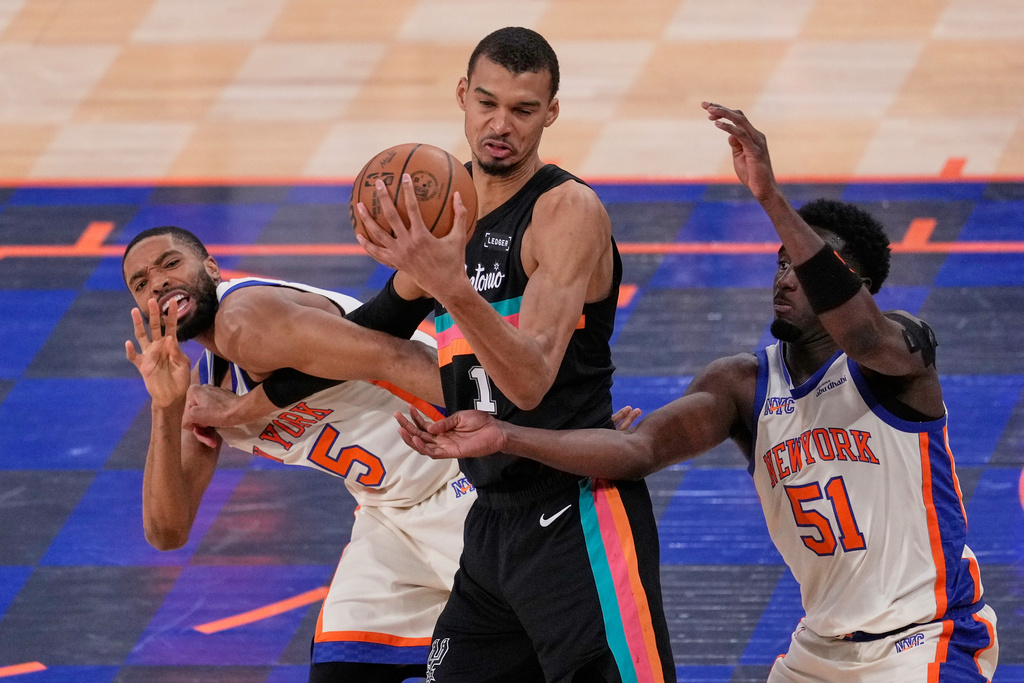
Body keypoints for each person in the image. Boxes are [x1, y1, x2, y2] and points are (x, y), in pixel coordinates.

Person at [394, 103, 1000, 683]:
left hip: (927, 636)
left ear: (857, 284)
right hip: (820, 650)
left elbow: (864, 334)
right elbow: (637, 454)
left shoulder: (900, 357)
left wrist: (769, 198)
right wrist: (508, 436)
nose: (786, 277)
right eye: (780, 261)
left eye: (805, 265)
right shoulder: (742, 384)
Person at [352, 26, 676, 683]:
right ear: (462, 96)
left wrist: (448, 284)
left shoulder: (566, 212)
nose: (502, 124)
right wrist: (244, 384)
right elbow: (369, 331)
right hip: (493, 523)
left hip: (578, 512)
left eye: (524, 110)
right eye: (488, 103)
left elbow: (529, 380)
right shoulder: (441, 210)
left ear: (551, 113)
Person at [121, 225, 477, 683]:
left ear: (210, 268)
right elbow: (167, 531)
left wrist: (522, 429)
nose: (158, 282)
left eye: (170, 264)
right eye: (141, 282)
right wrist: (166, 407)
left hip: (464, 478)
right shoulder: (205, 385)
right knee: (342, 669)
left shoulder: (244, 318)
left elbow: (398, 357)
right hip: (387, 515)